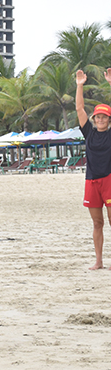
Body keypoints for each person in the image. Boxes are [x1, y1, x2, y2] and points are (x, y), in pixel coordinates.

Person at [75, 68, 111, 270]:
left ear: (109, 120)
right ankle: (99, 261)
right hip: (91, 181)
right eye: (98, 117)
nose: (100, 120)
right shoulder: (88, 132)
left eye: (104, 117)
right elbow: (80, 109)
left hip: (109, 180)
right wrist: (79, 85)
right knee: (97, 223)